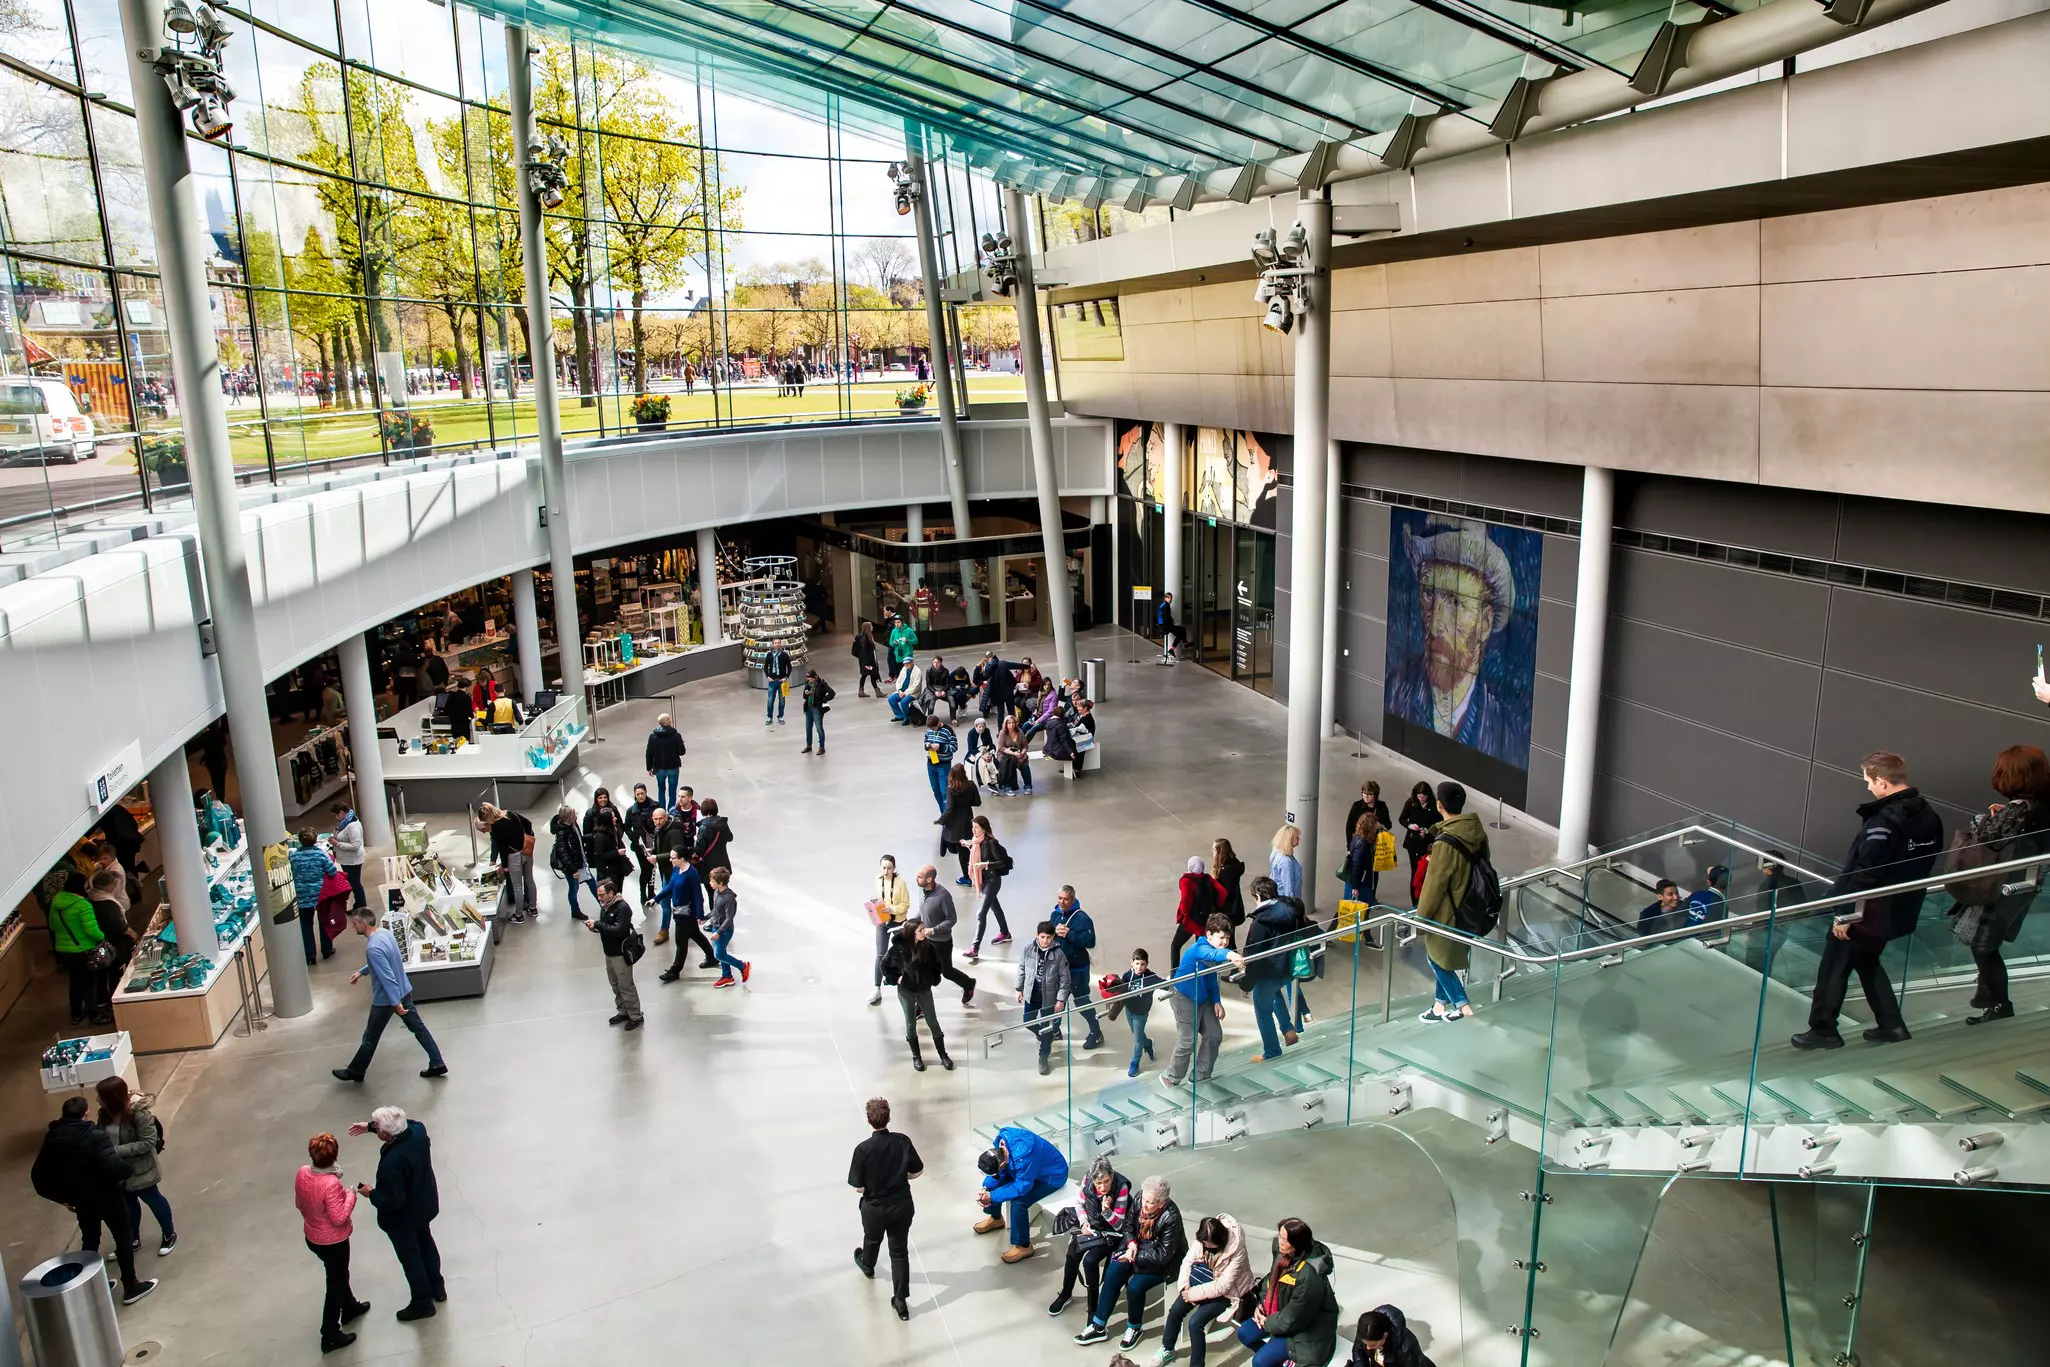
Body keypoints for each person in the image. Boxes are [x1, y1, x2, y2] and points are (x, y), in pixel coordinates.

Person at [1792, 752, 1943, 1050]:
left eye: (1869, 782)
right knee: (1866, 960)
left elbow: (1866, 872)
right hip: (1899, 908)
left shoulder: (1884, 822)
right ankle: (1892, 1025)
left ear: (1883, 782)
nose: (1868, 788)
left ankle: (1823, 1030)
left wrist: (1846, 915)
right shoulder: (1927, 815)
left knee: (1834, 965)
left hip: (1869, 910)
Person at [1385, 519, 1530, 763]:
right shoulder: (1394, 690)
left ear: (1484, 623)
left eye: (1455, 601)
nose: (1435, 624)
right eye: (1429, 594)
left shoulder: (1508, 732)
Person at [1951, 745, 2050, 1025]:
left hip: (2004, 885)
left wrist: (1983, 819)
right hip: (2028, 880)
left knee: (1983, 945)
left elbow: (1989, 838)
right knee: (1986, 943)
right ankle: (1990, 998)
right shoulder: (2043, 805)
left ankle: (1998, 1004)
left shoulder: (2019, 809)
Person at [31, 1096, 157, 1305]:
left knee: (90, 1239)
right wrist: (128, 1170)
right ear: (86, 1113)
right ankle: (131, 1286)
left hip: (81, 1200)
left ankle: (91, 1284)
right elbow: (113, 1167)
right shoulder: (94, 1136)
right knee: (123, 1239)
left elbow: (38, 1176)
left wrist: (63, 1199)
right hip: (108, 1196)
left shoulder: (52, 1139)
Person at [350, 1106, 444, 1321]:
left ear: (388, 1134)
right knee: (426, 1243)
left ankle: (422, 1303)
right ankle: (437, 1287)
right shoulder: (418, 1132)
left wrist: (371, 1193)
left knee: (411, 1258)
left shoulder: (393, 1163)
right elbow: (407, 1122)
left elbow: (391, 1200)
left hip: (404, 1218)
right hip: (423, 1204)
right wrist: (371, 1127)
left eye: (379, 1128)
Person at [333, 906, 448, 1080]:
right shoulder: (385, 934)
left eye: (355, 923)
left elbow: (387, 978)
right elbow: (388, 960)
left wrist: (396, 1004)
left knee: (370, 1036)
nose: (353, 926)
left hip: (387, 1000)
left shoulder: (372, 948)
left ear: (364, 923)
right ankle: (437, 1062)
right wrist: (363, 971)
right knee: (419, 1029)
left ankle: (356, 1071)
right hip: (404, 991)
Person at [1074, 1173, 1185, 1349]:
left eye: (1151, 1202)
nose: (1145, 1205)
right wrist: (1132, 1244)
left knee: (1135, 1287)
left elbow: (1163, 1254)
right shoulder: (1141, 1198)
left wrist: (1134, 1254)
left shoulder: (1171, 1217)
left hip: (1163, 1263)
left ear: (1162, 1203)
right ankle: (1098, 1325)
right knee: (1113, 1271)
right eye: (1145, 1200)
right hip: (1138, 1249)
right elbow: (1128, 1226)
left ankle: (1134, 1327)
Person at [1415, 781, 1486, 1023]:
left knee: (1435, 958)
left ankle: (1463, 1005)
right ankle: (1439, 1006)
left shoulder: (1445, 843)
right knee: (1442, 956)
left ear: (1439, 805)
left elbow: (1434, 885)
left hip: (1448, 912)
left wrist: (1421, 917)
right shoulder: (1476, 832)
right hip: (1470, 907)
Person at [849, 1097, 924, 1321]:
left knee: (872, 1239)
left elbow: (858, 1187)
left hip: (875, 1208)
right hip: (901, 1204)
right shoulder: (903, 1141)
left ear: (869, 1120)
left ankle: (868, 1264)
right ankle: (900, 1301)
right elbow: (917, 1171)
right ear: (889, 1118)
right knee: (899, 1252)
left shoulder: (862, 1149)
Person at [296, 1131, 370, 1353]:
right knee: (335, 1284)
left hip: (313, 1236)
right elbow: (339, 1218)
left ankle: (349, 1307)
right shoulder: (331, 1184)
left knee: (338, 1274)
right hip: (333, 1242)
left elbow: (299, 1203)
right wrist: (350, 1196)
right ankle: (329, 1334)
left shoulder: (302, 1173)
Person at [1235, 1217, 1341, 1367]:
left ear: (1297, 1243)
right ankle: (1278, 1360)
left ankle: (1281, 1359)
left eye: (1284, 1239)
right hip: (1278, 1315)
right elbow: (1269, 1282)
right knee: (1244, 1334)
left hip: (1305, 1330)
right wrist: (1261, 1306)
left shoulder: (1309, 1276)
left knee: (1259, 1361)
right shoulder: (1284, 1254)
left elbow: (1295, 1317)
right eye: (1279, 1236)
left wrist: (1267, 1323)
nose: (1280, 1242)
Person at [1160, 1212, 1256, 1367]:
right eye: (1203, 1243)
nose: (1205, 1246)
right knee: (1175, 1311)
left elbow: (1223, 1286)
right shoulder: (1205, 1236)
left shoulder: (1237, 1250)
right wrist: (1184, 1287)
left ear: (1220, 1241)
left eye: (1209, 1244)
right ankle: (1167, 1349)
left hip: (1227, 1293)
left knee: (1195, 1323)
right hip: (1202, 1281)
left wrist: (1191, 1294)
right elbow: (1187, 1262)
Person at [1163, 915, 1246, 1088]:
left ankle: (1201, 1075)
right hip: (1184, 998)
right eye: (1221, 937)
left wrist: (1216, 1001)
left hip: (1203, 997)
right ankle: (1171, 1076)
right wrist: (1230, 954)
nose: (1224, 942)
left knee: (1214, 1035)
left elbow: (1211, 978)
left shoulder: (1215, 953)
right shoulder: (1199, 949)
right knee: (1188, 1041)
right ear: (1209, 935)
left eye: (1228, 938)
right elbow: (1213, 954)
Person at [97, 1076, 176, 1257]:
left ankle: (169, 1233)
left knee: (153, 1199)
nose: (97, 1100)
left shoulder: (139, 1115)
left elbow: (147, 1143)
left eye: (101, 1096)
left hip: (140, 1169)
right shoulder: (104, 1113)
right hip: (118, 1170)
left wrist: (115, 1150)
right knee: (128, 1204)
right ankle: (133, 1239)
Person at [1050, 1156, 1133, 1319]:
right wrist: (1083, 1222)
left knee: (1090, 1261)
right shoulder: (1087, 1179)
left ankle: (1093, 1308)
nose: (1103, 1187)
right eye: (1098, 1183)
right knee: (1072, 1253)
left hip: (1111, 1233)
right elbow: (1079, 1204)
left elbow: (1119, 1225)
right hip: (1092, 1227)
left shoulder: (1121, 1187)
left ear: (1112, 1175)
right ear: (1092, 1178)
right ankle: (1066, 1293)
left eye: (1107, 1182)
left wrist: (1107, 1212)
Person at [974, 1126, 1068, 1264]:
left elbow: (1022, 1187)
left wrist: (992, 1196)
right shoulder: (1001, 1144)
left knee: (1018, 1202)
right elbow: (998, 1176)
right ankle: (996, 1219)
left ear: (1002, 1164)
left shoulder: (1024, 1155)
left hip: (1051, 1176)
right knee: (995, 1187)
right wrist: (986, 1188)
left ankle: (1024, 1246)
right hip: (1027, 1171)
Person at [1244, 876, 1300, 1061]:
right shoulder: (1290, 910)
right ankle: (1288, 1030)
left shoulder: (1260, 922)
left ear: (1258, 896)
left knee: (1262, 1011)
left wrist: (1246, 983)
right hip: (1288, 968)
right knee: (1275, 993)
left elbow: (1253, 956)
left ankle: (1272, 1052)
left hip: (1268, 973)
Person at [881, 920, 951, 1070]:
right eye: (921, 930)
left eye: (924, 929)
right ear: (912, 932)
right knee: (910, 1023)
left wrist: (933, 978)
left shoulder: (928, 946)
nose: (924, 932)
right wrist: (896, 978)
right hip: (906, 991)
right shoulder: (898, 949)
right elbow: (884, 965)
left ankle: (943, 1054)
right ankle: (916, 1056)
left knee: (933, 1021)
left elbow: (937, 964)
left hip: (924, 990)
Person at [45, 868, 108, 1025]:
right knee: (89, 982)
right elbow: (92, 931)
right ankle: (94, 1014)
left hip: (63, 950)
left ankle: (76, 1014)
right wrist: (103, 938)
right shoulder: (83, 905)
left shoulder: (56, 901)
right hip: (83, 950)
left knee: (75, 982)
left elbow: (52, 926)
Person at [1050, 884, 1106, 1048]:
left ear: (1073, 899)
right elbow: (1048, 934)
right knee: (1057, 1001)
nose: (1062, 902)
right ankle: (1054, 1030)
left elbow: (1089, 941)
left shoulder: (1083, 919)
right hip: (1060, 969)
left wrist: (1069, 933)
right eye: (1060, 898)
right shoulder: (1055, 914)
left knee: (1082, 1002)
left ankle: (1096, 1033)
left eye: (1066, 899)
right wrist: (1054, 930)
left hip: (1078, 971)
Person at [914, 863, 977, 1003]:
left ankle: (968, 983)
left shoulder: (943, 896)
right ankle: (921, 1005)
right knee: (924, 971)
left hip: (941, 943)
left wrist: (933, 930)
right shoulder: (921, 890)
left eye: (919, 877)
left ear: (929, 879)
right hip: (926, 940)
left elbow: (952, 919)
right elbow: (923, 910)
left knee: (946, 972)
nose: (916, 879)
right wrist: (914, 921)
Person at [585, 880, 645, 1027]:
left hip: (620, 954)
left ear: (611, 893)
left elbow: (619, 931)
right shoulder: (605, 906)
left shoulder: (623, 908)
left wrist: (598, 924)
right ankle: (623, 1011)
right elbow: (607, 927)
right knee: (615, 984)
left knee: (625, 986)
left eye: (601, 895)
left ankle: (636, 1016)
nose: (599, 898)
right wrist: (595, 927)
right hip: (609, 953)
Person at [1016, 921, 1073, 1075]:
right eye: (1042, 937)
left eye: (1048, 937)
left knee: (1047, 1027)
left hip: (1049, 996)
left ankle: (1043, 1056)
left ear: (1053, 937)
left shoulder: (1059, 955)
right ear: (1037, 936)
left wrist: (1060, 999)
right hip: (1031, 993)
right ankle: (1045, 1034)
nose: (1045, 940)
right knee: (1028, 1022)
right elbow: (1022, 969)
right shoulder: (1028, 949)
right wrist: (1019, 989)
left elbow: (1065, 979)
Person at [654, 851, 717, 982]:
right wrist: (656, 898)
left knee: (681, 942)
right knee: (696, 935)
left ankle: (675, 970)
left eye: (673, 857)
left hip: (687, 914)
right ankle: (711, 957)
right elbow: (670, 886)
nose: (670, 860)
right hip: (679, 911)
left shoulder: (692, 874)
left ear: (682, 858)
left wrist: (699, 915)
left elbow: (698, 896)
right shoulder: (677, 870)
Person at [1107, 947, 1164, 1077]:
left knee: (1137, 1040)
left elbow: (1164, 984)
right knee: (1138, 1035)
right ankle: (1148, 1043)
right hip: (1129, 1010)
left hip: (1141, 1014)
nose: (1139, 967)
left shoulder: (1150, 977)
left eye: (1142, 964)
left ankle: (1135, 1062)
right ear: (1132, 962)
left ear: (1147, 964)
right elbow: (1121, 991)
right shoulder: (1127, 976)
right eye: (1137, 964)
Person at [963, 815, 1012, 958]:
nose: (974, 830)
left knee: (981, 913)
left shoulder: (992, 843)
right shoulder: (976, 843)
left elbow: (1001, 862)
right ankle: (1005, 933)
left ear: (984, 828)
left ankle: (975, 947)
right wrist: (968, 844)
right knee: (995, 907)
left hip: (992, 881)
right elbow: (975, 850)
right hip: (983, 881)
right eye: (973, 827)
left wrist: (986, 865)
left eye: (976, 827)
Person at [291, 828, 342, 964]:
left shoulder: (294, 857)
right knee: (324, 922)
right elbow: (332, 872)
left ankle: (310, 955)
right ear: (315, 840)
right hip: (321, 895)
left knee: (306, 925)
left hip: (302, 896)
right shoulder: (320, 855)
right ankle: (327, 949)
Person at [480, 801, 537, 922]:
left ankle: (518, 915)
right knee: (530, 880)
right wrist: (526, 837)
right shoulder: (510, 813)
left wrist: (505, 866)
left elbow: (502, 849)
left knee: (517, 887)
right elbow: (528, 823)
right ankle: (533, 908)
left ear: (488, 817)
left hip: (514, 857)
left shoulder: (496, 827)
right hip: (526, 850)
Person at [869, 854, 912, 1006]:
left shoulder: (901, 883)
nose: (886, 871)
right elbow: (881, 898)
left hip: (898, 922)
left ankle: (909, 987)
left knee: (905, 954)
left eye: (889, 868)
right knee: (880, 954)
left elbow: (906, 905)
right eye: (884, 868)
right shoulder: (878, 879)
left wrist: (892, 909)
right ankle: (876, 988)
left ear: (894, 868)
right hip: (882, 922)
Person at [1173, 856, 1227, 968]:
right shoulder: (1207, 878)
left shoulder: (1186, 881)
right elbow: (1223, 892)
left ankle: (1174, 974)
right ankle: (1202, 971)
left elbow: (1185, 901)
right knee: (1201, 948)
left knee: (1175, 946)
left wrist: (1184, 914)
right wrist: (1216, 907)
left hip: (1190, 921)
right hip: (1204, 920)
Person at [704, 865, 750, 987]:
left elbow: (729, 918)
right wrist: (706, 917)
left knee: (718, 954)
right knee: (721, 952)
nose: (710, 883)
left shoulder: (729, 898)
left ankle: (742, 966)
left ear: (720, 882)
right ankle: (727, 976)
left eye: (712, 881)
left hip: (724, 930)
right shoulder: (716, 892)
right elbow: (715, 910)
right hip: (716, 926)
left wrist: (719, 932)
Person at [550, 803, 598, 921]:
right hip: (574, 867)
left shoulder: (572, 826)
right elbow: (563, 853)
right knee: (575, 888)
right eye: (573, 814)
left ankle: (578, 911)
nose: (575, 816)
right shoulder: (563, 832)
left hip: (579, 862)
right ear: (567, 817)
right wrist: (573, 870)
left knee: (590, 884)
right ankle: (576, 911)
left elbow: (577, 841)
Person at [1348, 1305, 1435, 1367]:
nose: (1368, 1348)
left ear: (1385, 1335)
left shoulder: (1406, 1348)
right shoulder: (1366, 1331)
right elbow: (1358, 1350)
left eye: (1372, 1345)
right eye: (1366, 1344)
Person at [583, 787, 633, 891]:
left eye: (605, 797)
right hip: (605, 860)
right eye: (600, 797)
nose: (603, 800)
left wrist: (617, 835)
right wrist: (596, 838)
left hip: (614, 859)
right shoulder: (591, 814)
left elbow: (620, 824)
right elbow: (587, 835)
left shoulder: (612, 809)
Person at [621, 783, 662, 907]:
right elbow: (626, 826)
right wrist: (634, 837)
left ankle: (651, 892)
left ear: (646, 792)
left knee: (653, 869)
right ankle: (642, 894)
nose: (640, 796)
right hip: (641, 846)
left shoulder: (655, 805)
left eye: (642, 793)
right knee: (645, 870)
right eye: (637, 794)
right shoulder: (632, 811)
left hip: (654, 843)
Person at [940, 764, 981, 884]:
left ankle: (967, 877)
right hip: (967, 821)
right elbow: (977, 802)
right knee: (965, 851)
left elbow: (949, 809)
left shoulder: (950, 789)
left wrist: (942, 820)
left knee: (954, 846)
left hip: (954, 824)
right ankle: (970, 875)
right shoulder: (971, 785)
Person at [1398, 781, 1437, 892]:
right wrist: (1410, 825)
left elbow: (1439, 822)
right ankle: (1415, 901)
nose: (1421, 799)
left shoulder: (1434, 806)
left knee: (1426, 871)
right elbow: (1402, 818)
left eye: (1423, 797)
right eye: (1419, 797)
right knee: (1415, 871)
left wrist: (1427, 830)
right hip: (1413, 842)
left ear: (1428, 795)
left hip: (1428, 844)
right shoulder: (1410, 803)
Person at [644, 712, 686, 809]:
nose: (671, 721)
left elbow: (649, 753)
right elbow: (681, 752)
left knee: (661, 790)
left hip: (659, 768)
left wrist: (649, 767)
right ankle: (671, 811)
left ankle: (661, 810)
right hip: (673, 768)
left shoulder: (653, 736)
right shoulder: (676, 735)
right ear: (666, 723)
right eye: (669, 720)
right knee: (672, 792)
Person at [330, 801, 367, 908]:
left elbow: (356, 845)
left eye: (335, 815)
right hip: (347, 859)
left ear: (341, 813)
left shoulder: (352, 826)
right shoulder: (344, 823)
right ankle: (359, 905)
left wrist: (337, 844)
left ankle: (361, 906)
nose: (335, 818)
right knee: (353, 883)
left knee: (355, 884)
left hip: (353, 860)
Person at [1344, 781, 1393, 855]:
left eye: (1370, 794)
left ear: (1375, 795)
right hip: (1361, 844)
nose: (1366, 797)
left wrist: (1380, 824)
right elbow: (1349, 828)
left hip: (1377, 845)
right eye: (1364, 793)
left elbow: (1388, 825)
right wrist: (1349, 847)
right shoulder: (1357, 806)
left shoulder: (1381, 806)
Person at [692, 797, 735, 880]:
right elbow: (730, 838)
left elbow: (700, 849)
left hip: (708, 865)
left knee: (711, 887)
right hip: (722, 862)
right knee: (722, 887)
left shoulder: (703, 827)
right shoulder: (723, 824)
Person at [922, 716, 958, 813]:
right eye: (931, 728)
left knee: (944, 792)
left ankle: (947, 816)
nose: (932, 730)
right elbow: (925, 743)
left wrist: (941, 747)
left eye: (934, 728)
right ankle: (943, 813)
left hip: (944, 765)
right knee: (936, 790)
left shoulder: (948, 731)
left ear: (939, 723)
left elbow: (954, 747)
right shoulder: (928, 731)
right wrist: (928, 746)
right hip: (931, 763)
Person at [1213, 837, 1247, 931]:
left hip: (1227, 909)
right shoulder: (1234, 863)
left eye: (1214, 849)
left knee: (1227, 936)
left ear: (1220, 852)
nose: (1212, 852)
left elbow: (1224, 891)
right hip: (1234, 907)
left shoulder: (1226, 871)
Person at [996, 715, 1034, 794]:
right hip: (1005, 754)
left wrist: (1022, 753)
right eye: (1009, 723)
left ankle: (1028, 785)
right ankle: (1007, 785)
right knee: (1008, 762)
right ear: (1006, 724)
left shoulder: (1019, 732)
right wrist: (1013, 753)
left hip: (1018, 752)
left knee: (1024, 764)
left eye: (1013, 722)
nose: (1011, 724)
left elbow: (1025, 746)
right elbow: (1001, 747)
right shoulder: (1002, 733)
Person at [802, 668, 835, 754]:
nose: (810, 681)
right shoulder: (808, 684)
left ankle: (821, 747)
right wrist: (806, 693)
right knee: (808, 728)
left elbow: (832, 693)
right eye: (808, 679)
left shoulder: (822, 684)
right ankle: (809, 745)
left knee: (819, 728)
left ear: (815, 677)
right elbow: (804, 697)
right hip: (808, 708)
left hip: (817, 709)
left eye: (811, 679)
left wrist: (824, 699)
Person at [1270, 824, 1304, 902]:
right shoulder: (1286, 862)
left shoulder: (1276, 851)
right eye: (1296, 837)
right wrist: (1292, 904)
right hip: (1287, 900)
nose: (1299, 839)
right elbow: (1288, 889)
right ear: (1289, 839)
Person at [762, 642, 793, 725]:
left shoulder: (784, 655)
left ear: (780, 644)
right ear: (773, 644)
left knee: (782, 701)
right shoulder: (769, 655)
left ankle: (780, 716)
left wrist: (786, 677)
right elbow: (765, 667)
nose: (777, 644)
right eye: (775, 643)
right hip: (772, 681)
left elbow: (789, 667)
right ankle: (769, 717)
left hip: (781, 681)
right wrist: (767, 676)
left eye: (778, 643)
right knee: (770, 700)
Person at [851, 621, 884, 697]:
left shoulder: (867, 637)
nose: (872, 627)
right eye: (871, 626)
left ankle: (866, 691)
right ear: (867, 628)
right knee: (870, 674)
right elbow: (864, 652)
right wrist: (866, 663)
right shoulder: (864, 639)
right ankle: (876, 691)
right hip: (868, 662)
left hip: (867, 661)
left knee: (867, 675)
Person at [887, 658, 920, 725]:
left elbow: (915, 687)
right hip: (902, 691)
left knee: (904, 702)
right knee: (891, 699)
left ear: (912, 662)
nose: (906, 665)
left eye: (908, 663)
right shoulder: (904, 669)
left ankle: (906, 718)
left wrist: (905, 693)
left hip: (912, 693)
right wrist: (899, 690)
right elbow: (898, 681)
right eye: (905, 663)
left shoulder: (917, 671)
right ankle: (899, 715)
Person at [1156, 591, 1180, 663]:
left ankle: (1172, 649)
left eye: (1171, 598)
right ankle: (1172, 649)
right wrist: (1172, 625)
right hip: (1164, 625)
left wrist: (1172, 622)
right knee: (1180, 632)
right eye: (1168, 598)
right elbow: (1166, 618)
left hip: (1164, 624)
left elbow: (1168, 616)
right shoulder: (1166, 606)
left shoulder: (1165, 605)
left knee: (1180, 631)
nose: (1170, 599)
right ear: (1165, 598)